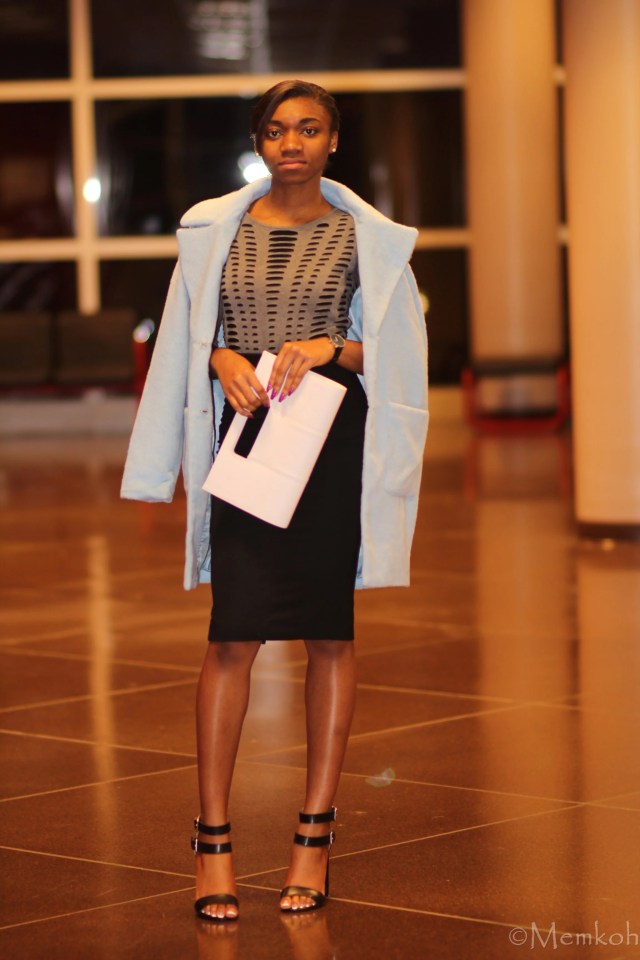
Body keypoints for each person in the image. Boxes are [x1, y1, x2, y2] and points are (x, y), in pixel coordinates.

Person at [121, 80, 428, 922]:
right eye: (276, 130)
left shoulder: (369, 239)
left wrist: (330, 346)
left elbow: (396, 353)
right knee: (233, 633)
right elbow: (189, 337)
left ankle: (313, 838)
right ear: (259, 142)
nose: (292, 143)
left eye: (309, 129)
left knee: (329, 633)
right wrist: (219, 356)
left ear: (334, 141)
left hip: (329, 442)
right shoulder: (213, 232)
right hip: (248, 440)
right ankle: (212, 841)